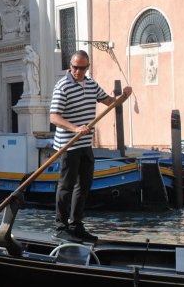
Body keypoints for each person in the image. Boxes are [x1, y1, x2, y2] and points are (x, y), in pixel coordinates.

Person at [49, 50, 131, 244]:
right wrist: (75, 128)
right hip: (68, 145)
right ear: (70, 66)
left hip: (85, 144)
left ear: (87, 68)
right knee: (66, 186)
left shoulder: (91, 84)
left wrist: (124, 96)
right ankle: (60, 227)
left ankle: (76, 225)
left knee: (84, 185)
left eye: (82, 68)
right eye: (75, 67)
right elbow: (54, 117)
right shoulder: (63, 86)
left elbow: (109, 102)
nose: (78, 71)